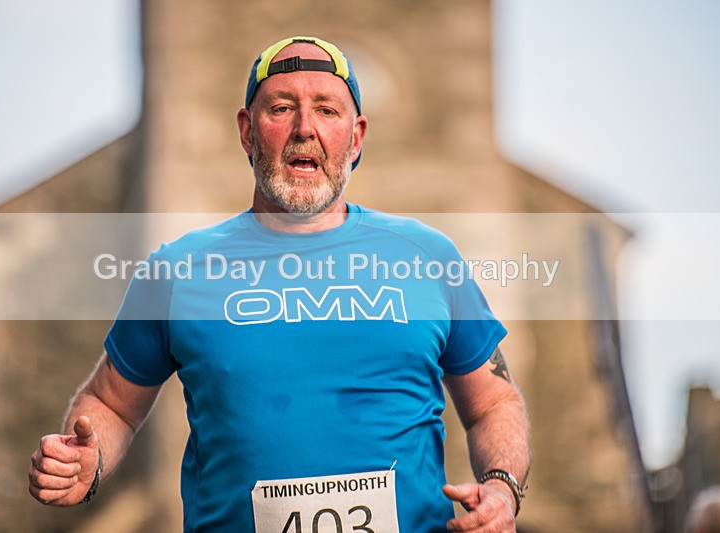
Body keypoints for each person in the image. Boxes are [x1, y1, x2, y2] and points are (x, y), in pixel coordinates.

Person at [28, 36, 531, 532]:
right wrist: (85, 462)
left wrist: (502, 487)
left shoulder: (427, 256)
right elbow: (111, 403)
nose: (304, 128)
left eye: (327, 110)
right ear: (247, 131)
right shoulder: (177, 272)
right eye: (282, 108)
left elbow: (493, 402)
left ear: (356, 137)